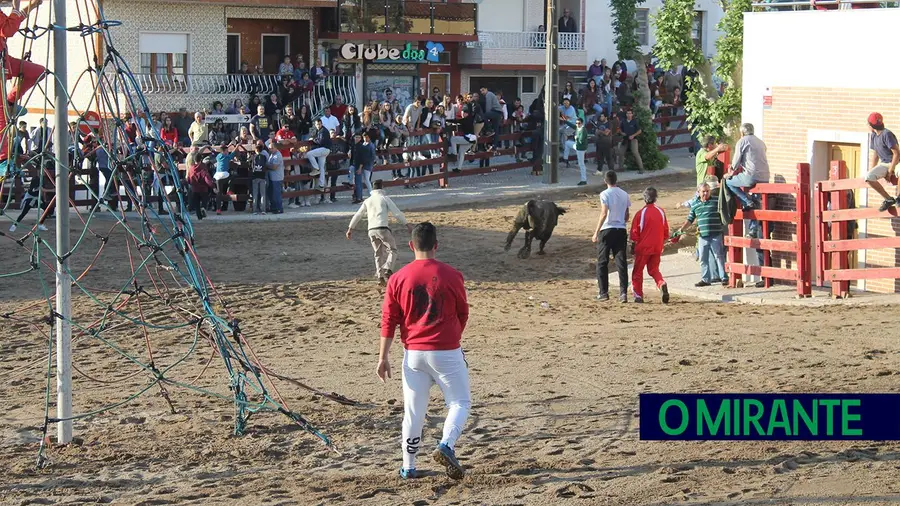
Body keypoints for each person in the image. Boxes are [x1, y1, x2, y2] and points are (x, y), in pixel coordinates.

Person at [376, 222, 470, 481]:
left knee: (414, 411)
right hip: (446, 349)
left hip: (414, 353)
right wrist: (453, 334)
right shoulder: (452, 274)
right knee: (460, 402)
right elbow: (463, 312)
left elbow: (389, 319)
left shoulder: (397, 278)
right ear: (436, 245)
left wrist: (383, 357)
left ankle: (408, 465)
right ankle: (446, 444)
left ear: (411, 246)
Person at [0, 0, 46, 163]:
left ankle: (11, 101)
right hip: (2, 61)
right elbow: (8, 30)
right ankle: (2, 159)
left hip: (5, 60)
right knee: (1, 115)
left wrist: (31, 6)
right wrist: (17, 7)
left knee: (39, 72)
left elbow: (10, 24)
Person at [347, 179, 411, 285]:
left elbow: (358, 215)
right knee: (392, 250)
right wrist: (406, 224)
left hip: (371, 230)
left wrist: (350, 228)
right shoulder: (384, 198)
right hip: (382, 228)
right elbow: (396, 213)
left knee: (378, 253)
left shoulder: (367, 201)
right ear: (382, 187)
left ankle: (380, 276)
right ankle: (388, 268)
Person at [674, 182, 728, 287]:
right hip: (703, 236)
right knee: (703, 258)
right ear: (698, 192)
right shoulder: (694, 204)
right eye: (703, 191)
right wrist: (681, 230)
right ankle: (705, 279)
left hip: (716, 234)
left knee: (719, 256)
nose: (706, 193)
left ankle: (724, 277)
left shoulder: (716, 201)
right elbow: (690, 219)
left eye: (708, 191)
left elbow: (724, 213)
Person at [591, 170, 631, 302]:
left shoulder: (604, 194)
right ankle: (623, 293)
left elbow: (604, 213)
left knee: (602, 262)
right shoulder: (625, 194)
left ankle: (603, 292)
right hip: (620, 229)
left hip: (607, 229)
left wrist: (596, 231)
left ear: (605, 181)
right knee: (621, 261)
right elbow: (626, 215)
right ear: (616, 180)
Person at [725, 123, 769, 238]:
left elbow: (736, 161)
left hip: (751, 176)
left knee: (728, 182)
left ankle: (746, 200)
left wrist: (730, 173)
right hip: (764, 177)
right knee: (757, 203)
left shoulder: (743, 141)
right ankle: (752, 231)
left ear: (742, 132)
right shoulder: (761, 142)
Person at [629, 187, 669, 304]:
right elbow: (666, 231)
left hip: (644, 247)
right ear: (656, 198)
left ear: (644, 198)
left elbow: (634, 233)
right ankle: (661, 283)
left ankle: (638, 295)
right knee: (654, 270)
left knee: (637, 271)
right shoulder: (661, 211)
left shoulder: (640, 213)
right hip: (657, 246)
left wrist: (633, 246)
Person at [862, 112, 900, 212]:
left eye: (868, 124)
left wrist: (890, 171)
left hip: (896, 162)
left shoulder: (886, 134)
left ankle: (899, 197)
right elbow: (875, 154)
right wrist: (872, 169)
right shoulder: (873, 136)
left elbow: (896, 153)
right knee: (868, 177)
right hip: (884, 163)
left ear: (871, 125)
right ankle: (888, 199)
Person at [307, 118, 332, 194]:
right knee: (322, 168)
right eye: (317, 124)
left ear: (321, 124)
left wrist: (313, 140)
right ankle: (321, 185)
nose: (318, 125)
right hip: (326, 150)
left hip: (324, 149)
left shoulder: (323, 131)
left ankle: (316, 168)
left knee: (309, 154)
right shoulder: (321, 130)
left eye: (319, 124)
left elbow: (320, 141)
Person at [619, 109, 644, 173]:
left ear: (632, 114)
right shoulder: (623, 121)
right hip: (625, 139)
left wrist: (633, 135)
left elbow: (639, 131)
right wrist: (622, 133)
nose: (629, 115)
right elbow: (620, 130)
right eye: (627, 113)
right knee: (621, 153)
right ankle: (621, 168)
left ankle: (641, 168)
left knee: (635, 152)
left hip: (633, 139)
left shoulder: (634, 121)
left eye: (630, 113)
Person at [249, 141, 268, 215]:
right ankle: (263, 210)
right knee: (263, 194)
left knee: (255, 194)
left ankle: (254, 210)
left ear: (256, 150)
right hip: (262, 176)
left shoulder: (253, 157)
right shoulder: (264, 157)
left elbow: (251, 165)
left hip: (255, 176)